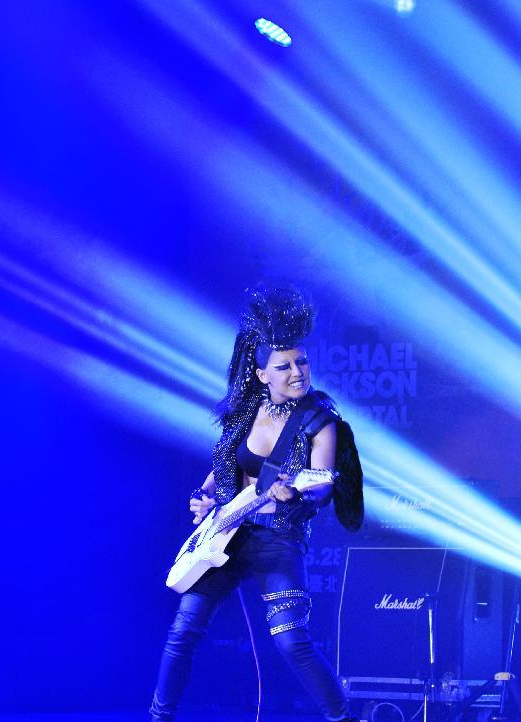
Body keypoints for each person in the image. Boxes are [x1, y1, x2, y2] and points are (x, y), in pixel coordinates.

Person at [150, 286, 362, 722]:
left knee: (291, 640)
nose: (297, 372)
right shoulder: (246, 412)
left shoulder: (321, 421)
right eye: (283, 366)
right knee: (183, 629)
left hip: (278, 539)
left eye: (302, 362)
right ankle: (158, 717)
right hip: (226, 534)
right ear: (262, 374)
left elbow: (322, 484)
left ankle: (345, 719)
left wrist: (296, 490)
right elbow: (223, 467)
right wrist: (202, 495)